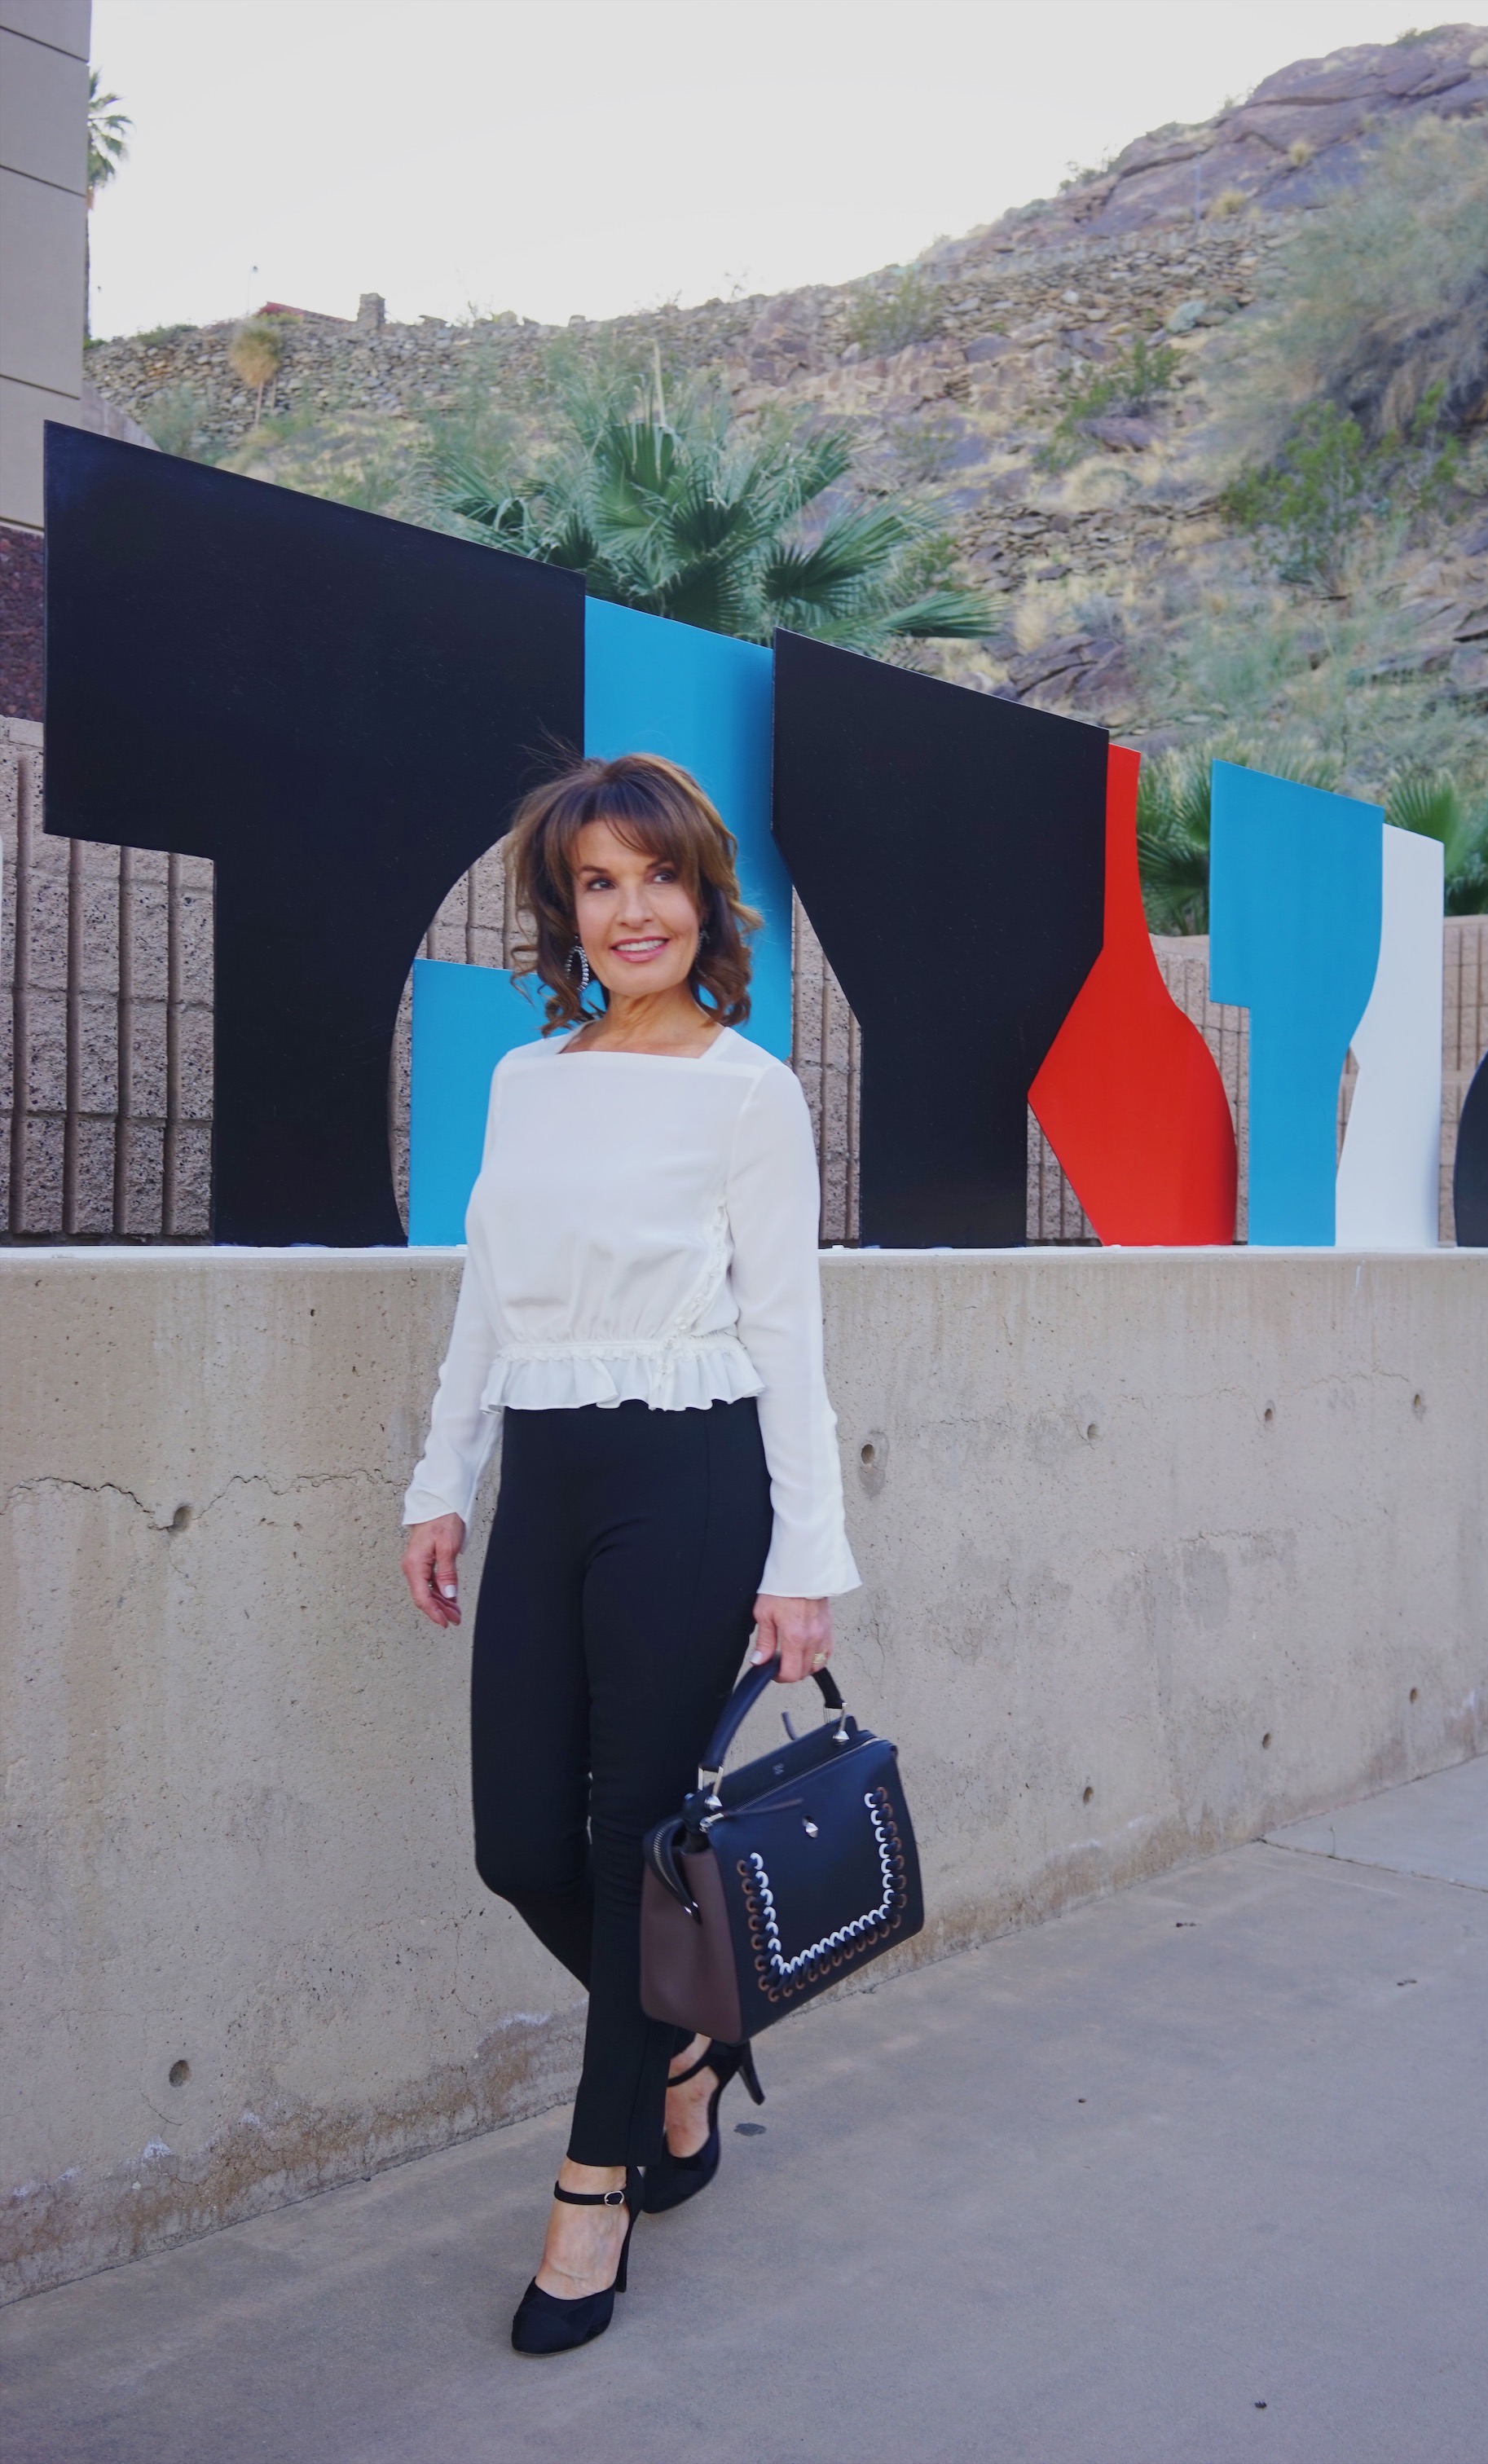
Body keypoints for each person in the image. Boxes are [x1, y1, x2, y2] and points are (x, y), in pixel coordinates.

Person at [399, 753, 859, 2356]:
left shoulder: (748, 1091)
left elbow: (789, 1334)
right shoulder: (530, 1081)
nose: (632, 910)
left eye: (656, 878)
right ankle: (677, 2038)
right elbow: (486, 1287)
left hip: (692, 1476)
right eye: (598, 883)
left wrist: (807, 1559)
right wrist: (436, 1479)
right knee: (520, 1842)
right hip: (551, 1467)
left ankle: (593, 2195)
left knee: (625, 1849)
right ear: (566, 911)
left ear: (702, 897)